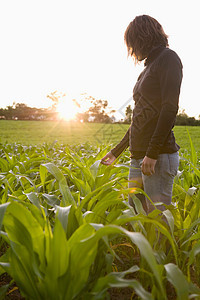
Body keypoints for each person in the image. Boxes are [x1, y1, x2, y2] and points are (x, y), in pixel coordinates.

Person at [101, 15, 183, 213]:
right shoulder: (147, 69)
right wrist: (117, 151)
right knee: (137, 218)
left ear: (142, 38)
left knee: (157, 222)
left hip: (157, 157)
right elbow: (140, 117)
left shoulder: (168, 59)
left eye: (132, 43)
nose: (131, 50)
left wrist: (152, 153)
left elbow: (169, 108)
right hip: (138, 157)